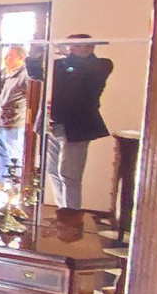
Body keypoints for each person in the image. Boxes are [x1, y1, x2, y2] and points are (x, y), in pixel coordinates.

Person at [44, 34, 113, 210]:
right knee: (52, 170)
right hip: (54, 123)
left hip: (78, 126)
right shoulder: (61, 65)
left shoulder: (101, 65)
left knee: (69, 174)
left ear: (89, 47)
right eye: (70, 46)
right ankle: (62, 211)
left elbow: (82, 73)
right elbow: (35, 73)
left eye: (74, 45)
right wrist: (35, 53)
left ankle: (71, 216)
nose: (70, 49)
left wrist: (68, 57)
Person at [0, 45, 30, 178]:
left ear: (21, 57)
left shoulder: (25, 75)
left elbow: (33, 97)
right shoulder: (4, 74)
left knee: (15, 157)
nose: (6, 58)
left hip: (15, 123)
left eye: (10, 55)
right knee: (1, 156)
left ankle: (16, 184)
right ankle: (0, 183)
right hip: (0, 122)